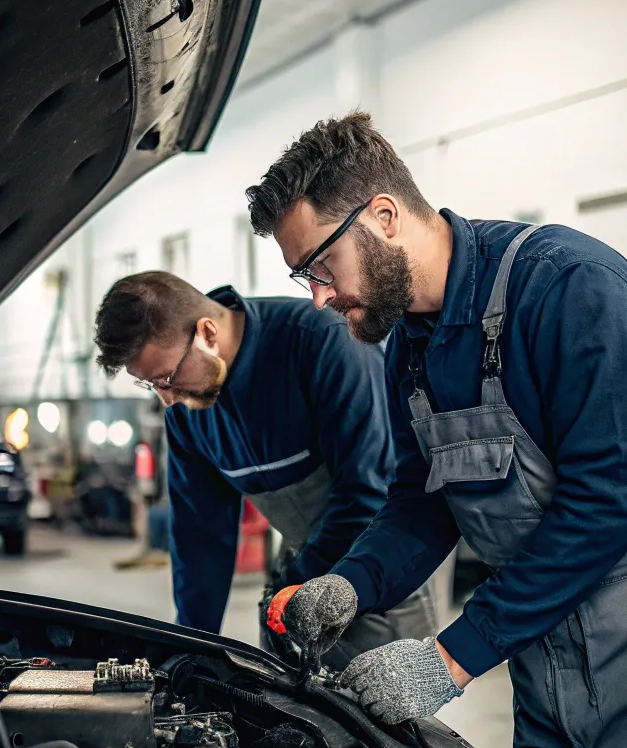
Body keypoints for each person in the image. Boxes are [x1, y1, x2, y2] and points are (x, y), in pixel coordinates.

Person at [248, 112, 627, 748]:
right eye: (305, 279)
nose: (318, 299)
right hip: (546, 641)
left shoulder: (568, 285)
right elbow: (422, 501)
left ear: (383, 217)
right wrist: (350, 584)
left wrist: (450, 658)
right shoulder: (410, 347)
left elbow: (606, 503)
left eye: (319, 268)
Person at [93, 271, 436, 667]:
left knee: (385, 720)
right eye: (150, 384)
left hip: (379, 568)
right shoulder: (188, 410)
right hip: (301, 567)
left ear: (207, 332)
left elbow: (371, 491)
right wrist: (191, 643)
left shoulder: (321, 341)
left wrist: (296, 581)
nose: (167, 400)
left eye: (166, 377)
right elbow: (200, 532)